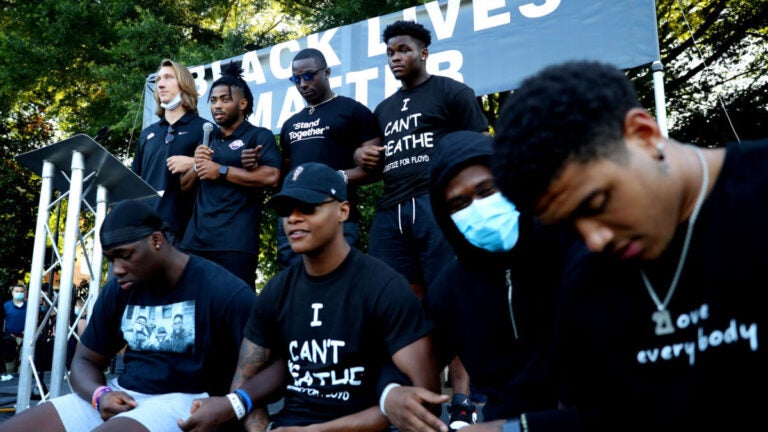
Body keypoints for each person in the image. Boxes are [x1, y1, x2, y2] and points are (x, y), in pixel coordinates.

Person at [489, 59, 768, 430]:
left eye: (596, 203)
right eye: (567, 226)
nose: (594, 239)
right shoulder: (586, 284)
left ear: (644, 134)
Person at [178, 162, 441, 431]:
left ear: (343, 211)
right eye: (285, 210)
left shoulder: (385, 287)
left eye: (308, 207)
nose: (293, 218)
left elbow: (426, 403)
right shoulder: (277, 291)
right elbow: (242, 385)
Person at [0, 199, 256, 432]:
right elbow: (85, 361)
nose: (117, 269)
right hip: (125, 396)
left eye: (125, 255)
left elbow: (274, 363)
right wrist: (99, 395)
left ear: (156, 241)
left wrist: (235, 403)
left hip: (185, 401)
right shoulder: (120, 289)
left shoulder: (223, 290)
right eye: (111, 259)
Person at [379, 131, 566, 432]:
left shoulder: (572, 249)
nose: (478, 208)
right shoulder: (450, 288)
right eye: (460, 203)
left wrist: (509, 430)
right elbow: (408, 353)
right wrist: (391, 395)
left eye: (487, 190)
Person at [355, 19, 489, 300]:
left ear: (423, 53)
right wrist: (361, 155)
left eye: (403, 50)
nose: (395, 58)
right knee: (394, 295)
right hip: (390, 209)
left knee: (447, 288)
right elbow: (374, 164)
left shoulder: (452, 91)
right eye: (390, 53)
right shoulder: (383, 109)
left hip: (434, 201)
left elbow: (480, 146)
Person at [243, 48, 382, 270]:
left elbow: (377, 167)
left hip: (334, 215)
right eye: (296, 79)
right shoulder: (291, 123)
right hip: (293, 219)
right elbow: (285, 177)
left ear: (326, 72)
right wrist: (257, 164)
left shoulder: (353, 111)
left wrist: (338, 178)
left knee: (338, 284)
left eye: (308, 76)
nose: (302, 84)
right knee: (294, 285)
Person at [181, 63, 281, 287]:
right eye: (214, 100)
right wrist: (197, 165)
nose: (217, 105)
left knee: (234, 311)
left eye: (225, 100)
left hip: (235, 243)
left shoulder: (258, 136)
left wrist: (222, 171)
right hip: (195, 242)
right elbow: (185, 186)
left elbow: (272, 176)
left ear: (242, 103)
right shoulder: (207, 138)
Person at [132, 58, 212, 246]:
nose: (160, 83)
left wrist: (193, 162)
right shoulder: (147, 133)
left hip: (183, 233)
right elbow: (135, 183)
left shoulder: (205, 129)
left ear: (184, 83)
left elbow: (213, 174)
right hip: (143, 229)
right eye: (158, 79)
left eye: (168, 77)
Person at [2, 283, 27, 373]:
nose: (19, 293)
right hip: (9, 339)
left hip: (25, 339)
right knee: (9, 364)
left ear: (25, 293)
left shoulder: (29, 306)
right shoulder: (6, 306)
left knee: (23, 364)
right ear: (12, 293)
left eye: (21, 291)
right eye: (17, 291)